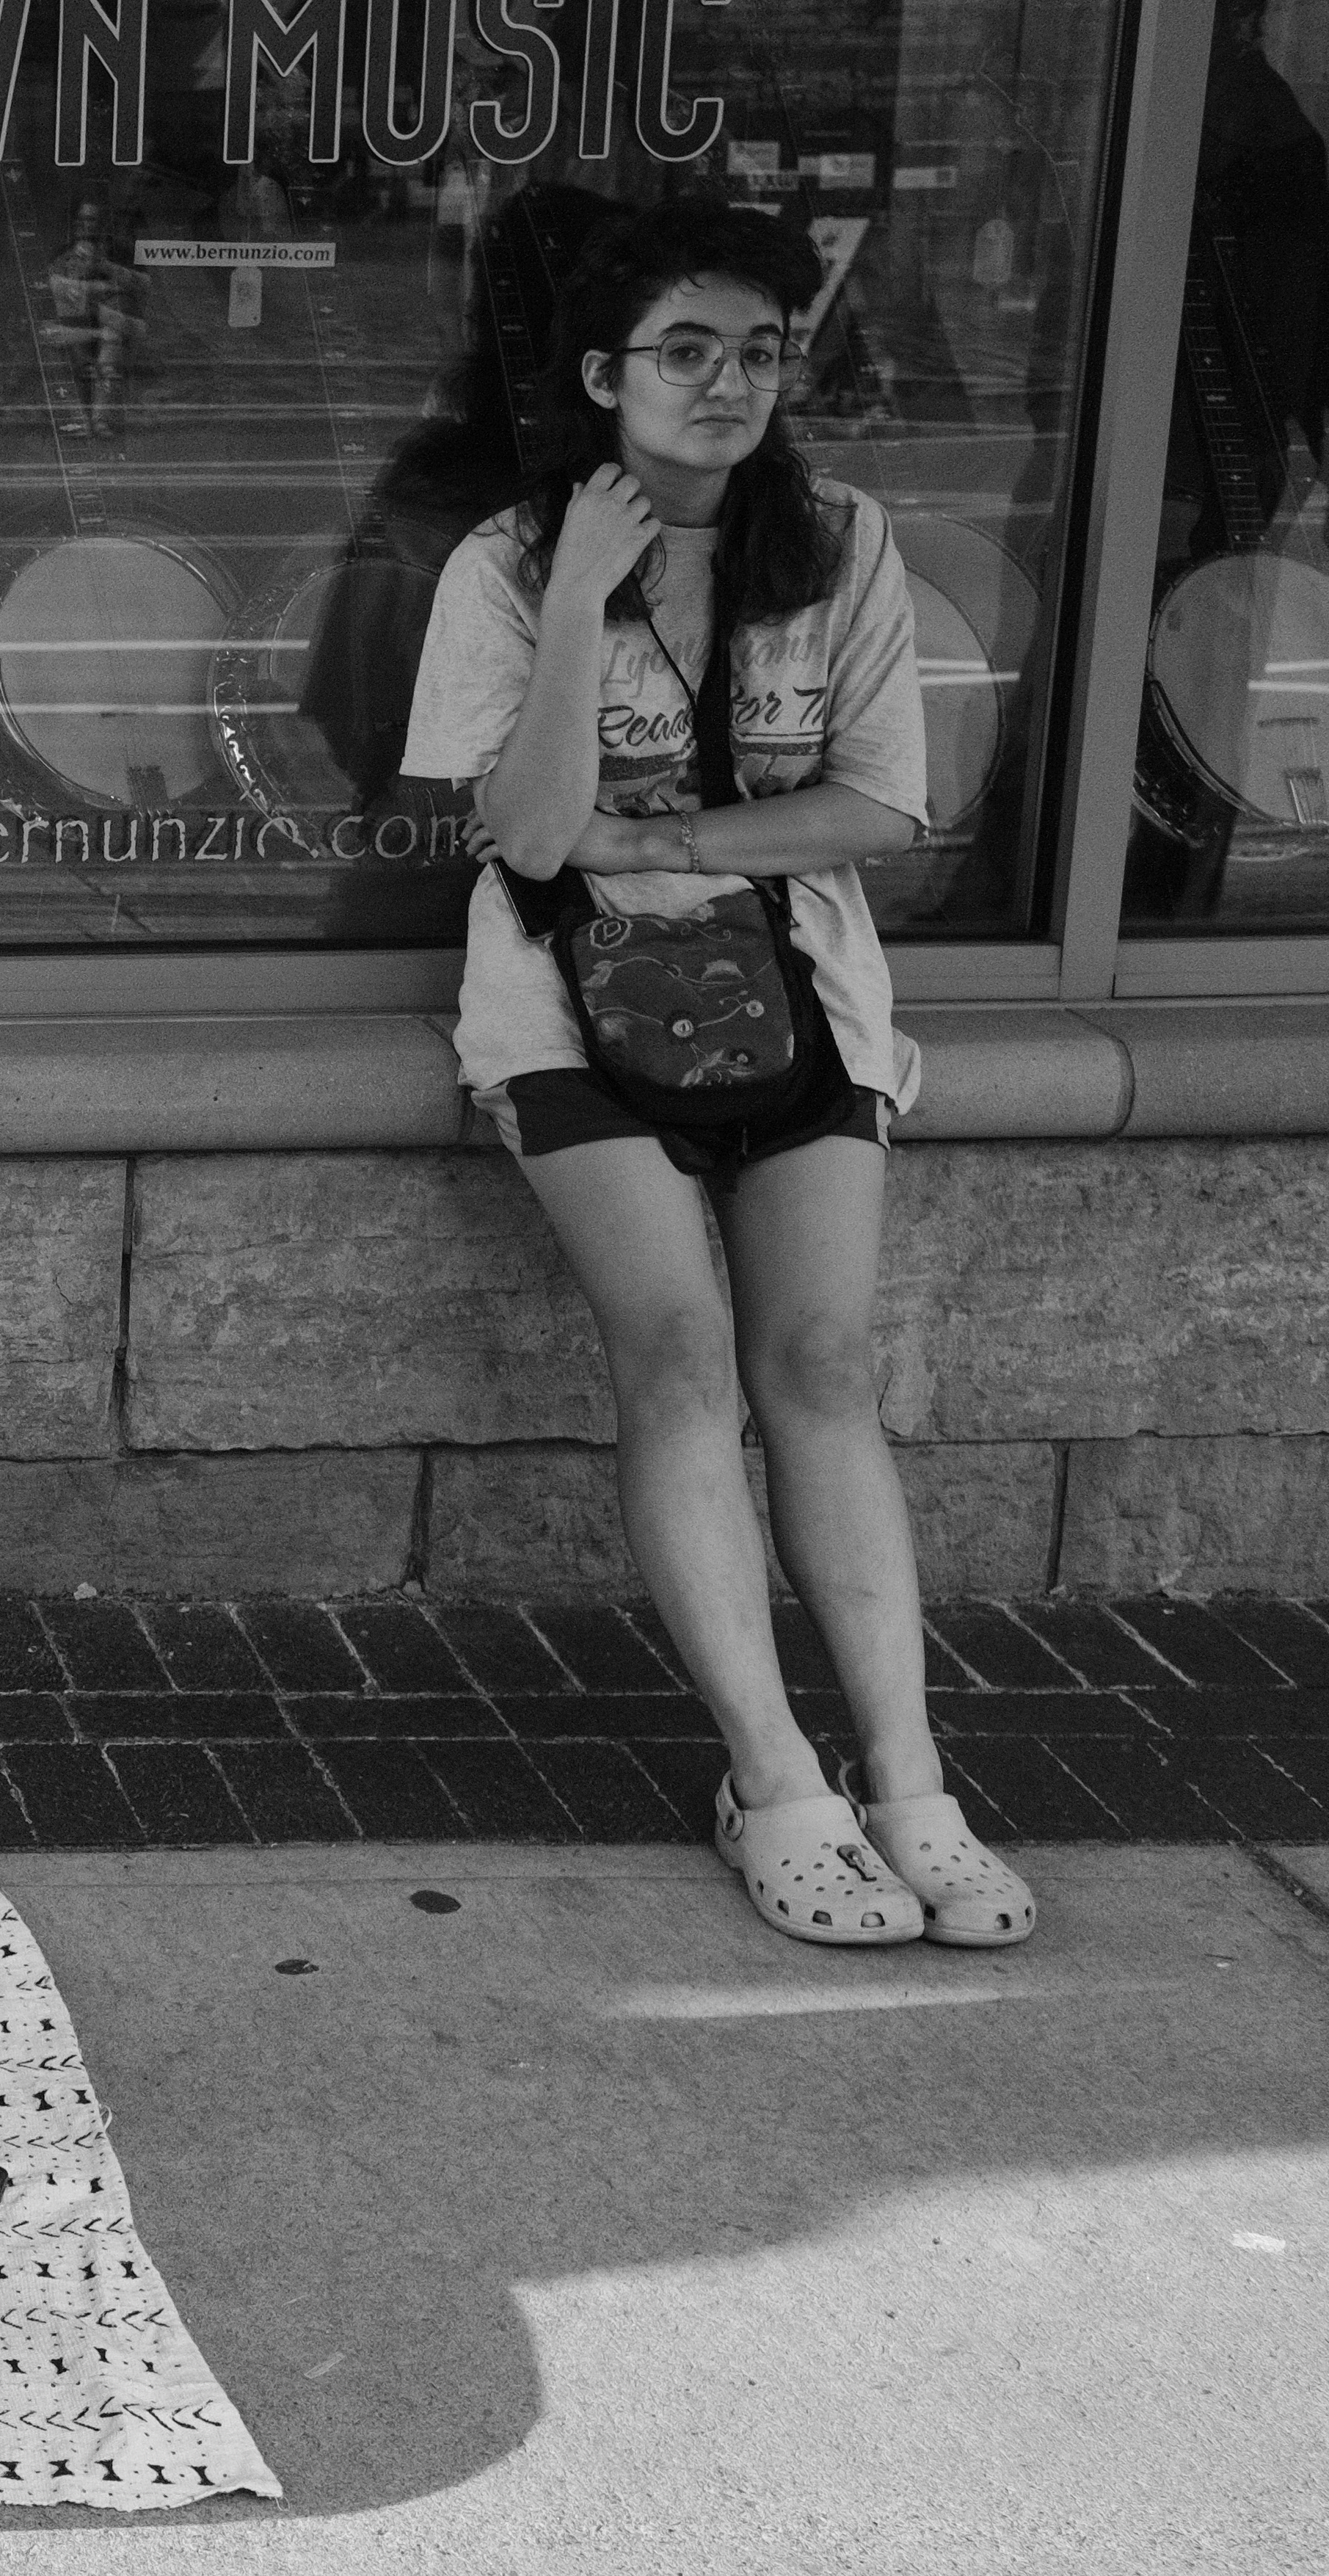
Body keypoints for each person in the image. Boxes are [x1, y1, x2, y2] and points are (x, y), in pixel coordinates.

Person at [398, 197, 1031, 1952]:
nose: (727, 384)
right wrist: (593, 598)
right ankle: (772, 1775)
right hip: (563, 1005)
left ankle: (909, 1779)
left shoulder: (840, 540)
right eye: (685, 350)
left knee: (821, 1360)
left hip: (798, 994)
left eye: (758, 351)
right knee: (677, 1352)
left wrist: (650, 825)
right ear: (604, 374)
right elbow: (520, 830)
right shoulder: (511, 566)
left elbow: (882, 807)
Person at [37, 195, 145, 438]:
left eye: (93, 220)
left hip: (108, 324)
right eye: (83, 219)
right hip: (72, 326)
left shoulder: (117, 254)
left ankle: (99, 421)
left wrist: (104, 269)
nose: (88, 225)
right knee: (69, 352)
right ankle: (76, 420)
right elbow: (56, 289)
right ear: (75, 222)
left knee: (109, 355)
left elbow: (137, 285)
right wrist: (96, 288)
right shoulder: (63, 255)